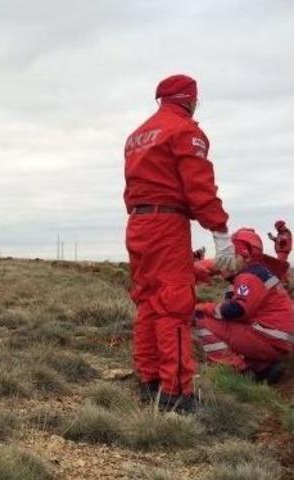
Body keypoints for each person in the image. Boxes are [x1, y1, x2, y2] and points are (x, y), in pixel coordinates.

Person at [123, 74, 235, 413]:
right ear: (190, 99)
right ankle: (176, 393)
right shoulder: (185, 132)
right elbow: (199, 187)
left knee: (148, 302)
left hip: (138, 224)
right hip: (166, 225)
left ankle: (150, 381)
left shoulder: (137, 135)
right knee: (173, 304)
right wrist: (220, 231)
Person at [194, 228, 293, 383]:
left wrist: (202, 307)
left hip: (267, 339)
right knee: (231, 325)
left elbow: (237, 310)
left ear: (245, 256)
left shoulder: (248, 276)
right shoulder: (258, 273)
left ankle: (239, 370)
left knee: (199, 318)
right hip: (278, 340)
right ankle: (263, 367)